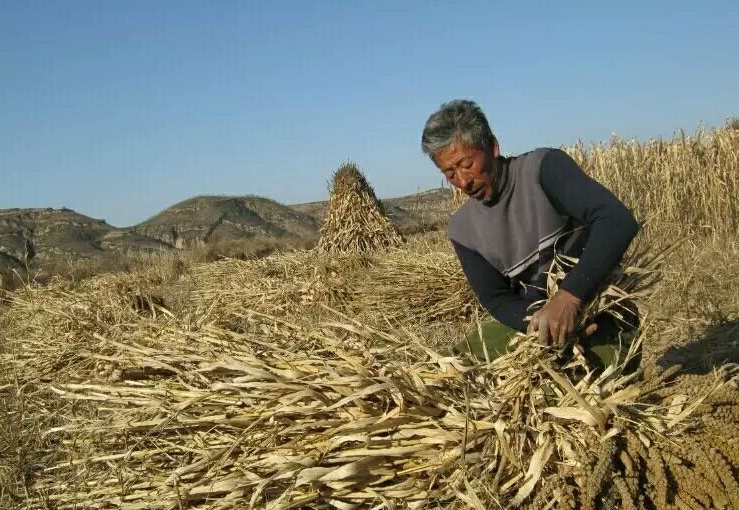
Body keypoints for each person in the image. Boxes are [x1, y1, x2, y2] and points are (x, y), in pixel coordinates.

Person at [421, 99, 641, 370]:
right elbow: (497, 299)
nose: (463, 181)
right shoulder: (462, 229)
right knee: (451, 370)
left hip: (597, 316)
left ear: (492, 146)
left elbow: (616, 220)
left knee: (579, 395)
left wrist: (570, 298)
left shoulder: (542, 169)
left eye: (466, 164)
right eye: (449, 173)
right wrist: (539, 324)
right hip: (536, 330)